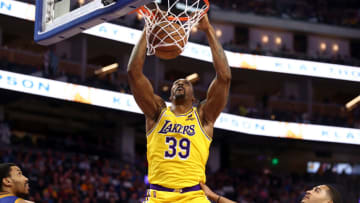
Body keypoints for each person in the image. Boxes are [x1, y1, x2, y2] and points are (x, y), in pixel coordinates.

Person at [127, 14, 231, 203]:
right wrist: (147, 29)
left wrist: (208, 30)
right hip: (158, 196)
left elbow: (224, 77)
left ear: (194, 97)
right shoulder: (157, 112)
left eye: (185, 83)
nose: (180, 84)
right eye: (176, 83)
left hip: (193, 196)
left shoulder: (203, 116)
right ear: (170, 94)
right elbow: (133, 73)